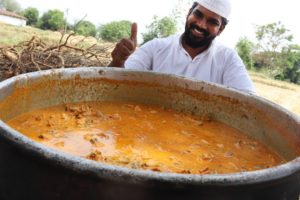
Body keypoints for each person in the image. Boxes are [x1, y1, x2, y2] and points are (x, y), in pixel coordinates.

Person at [108, 0, 255, 94]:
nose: (201, 25)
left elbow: (250, 104)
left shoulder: (227, 59)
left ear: (221, 30)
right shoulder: (156, 47)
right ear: (188, 14)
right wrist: (118, 61)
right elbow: (116, 83)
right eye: (198, 15)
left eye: (212, 22)